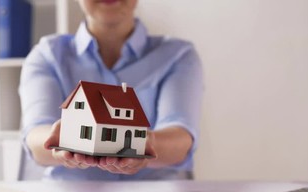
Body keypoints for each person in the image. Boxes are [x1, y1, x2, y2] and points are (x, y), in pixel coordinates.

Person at [19, 0, 203, 180]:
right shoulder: (47, 55)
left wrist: (144, 144)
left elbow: (181, 138)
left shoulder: (178, 55)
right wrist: (62, 141)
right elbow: (35, 135)